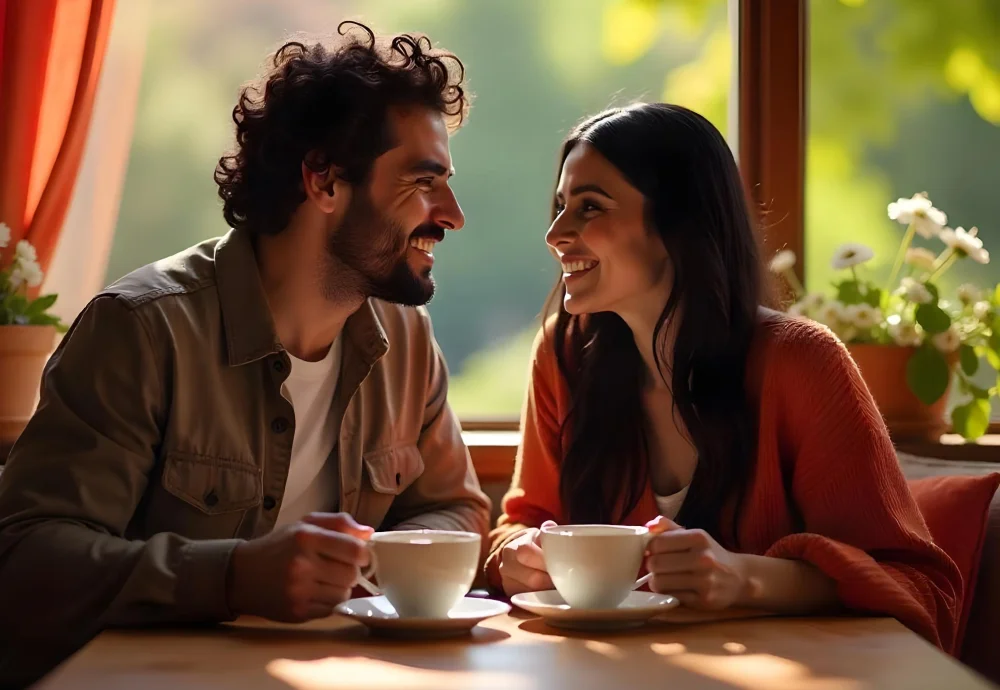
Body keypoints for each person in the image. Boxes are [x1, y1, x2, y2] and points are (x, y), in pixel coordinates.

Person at [0, 21, 490, 684]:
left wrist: (368, 561)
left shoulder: (404, 342)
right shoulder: (142, 331)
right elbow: (27, 562)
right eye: (422, 180)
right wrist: (231, 576)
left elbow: (455, 509)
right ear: (323, 182)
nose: (454, 212)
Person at [486, 103, 961, 651]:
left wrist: (746, 578)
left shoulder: (802, 363)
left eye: (590, 207)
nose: (555, 233)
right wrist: (519, 557)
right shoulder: (563, 356)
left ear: (679, 223)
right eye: (559, 205)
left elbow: (921, 588)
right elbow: (521, 525)